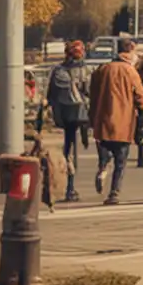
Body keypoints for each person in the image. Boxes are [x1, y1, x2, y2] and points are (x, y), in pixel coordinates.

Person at [86, 35, 143, 205]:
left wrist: (92, 119)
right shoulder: (130, 71)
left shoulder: (102, 69)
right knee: (121, 160)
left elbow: (92, 94)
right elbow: (140, 96)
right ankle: (114, 193)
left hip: (103, 120)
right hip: (123, 122)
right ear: (129, 52)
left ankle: (103, 167)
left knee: (105, 152)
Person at [46, 41, 91, 202]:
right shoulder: (85, 70)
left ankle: (70, 185)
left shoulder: (58, 71)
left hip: (64, 114)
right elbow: (90, 92)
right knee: (72, 149)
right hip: (80, 113)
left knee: (69, 148)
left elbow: (50, 95)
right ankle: (70, 187)